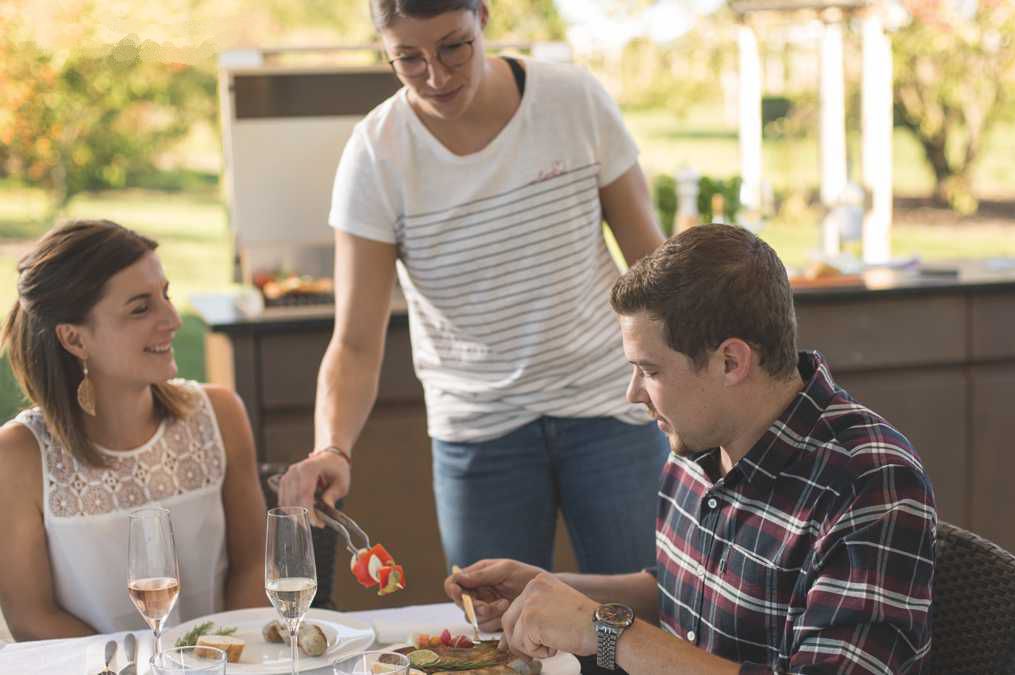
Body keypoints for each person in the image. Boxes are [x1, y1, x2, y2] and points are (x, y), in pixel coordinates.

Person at [278, 0, 668, 574]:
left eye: (453, 46)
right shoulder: (376, 154)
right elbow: (356, 342)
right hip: (480, 433)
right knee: (498, 638)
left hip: (611, 407)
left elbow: (652, 267)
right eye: (408, 58)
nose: (436, 76)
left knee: (638, 620)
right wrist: (332, 446)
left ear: (482, 16)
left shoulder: (572, 100)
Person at [445, 224, 937, 673]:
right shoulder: (699, 444)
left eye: (651, 371)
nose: (633, 394)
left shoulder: (870, 484)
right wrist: (548, 590)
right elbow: (688, 593)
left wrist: (604, 630)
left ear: (730, 361)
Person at [0, 220, 267, 640]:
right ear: (75, 339)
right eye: (140, 308)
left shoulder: (221, 416)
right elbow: (32, 617)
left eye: (166, 295)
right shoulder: (18, 456)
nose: (174, 319)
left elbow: (253, 565)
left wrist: (222, 657)